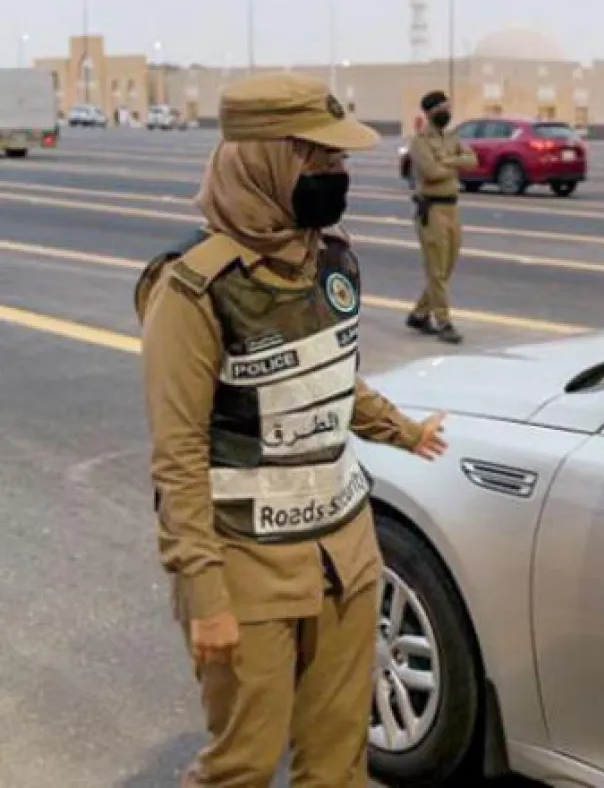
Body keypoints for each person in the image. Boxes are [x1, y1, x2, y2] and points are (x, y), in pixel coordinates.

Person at [135, 72, 451, 788]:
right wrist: (204, 593)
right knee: (242, 765)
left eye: (339, 161)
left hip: (346, 551)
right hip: (245, 563)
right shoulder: (193, 289)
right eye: (319, 159)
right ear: (266, 158)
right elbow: (178, 454)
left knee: (338, 760)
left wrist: (401, 430)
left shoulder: (329, 258)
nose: (336, 175)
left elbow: (330, 376)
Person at [406, 90, 477, 345]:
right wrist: (453, 165)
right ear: (429, 112)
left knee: (447, 266)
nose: (446, 112)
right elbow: (431, 172)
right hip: (432, 209)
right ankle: (443, 321)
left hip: (452, 208)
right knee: (436, 269)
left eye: (448, 107)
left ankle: (419, 314)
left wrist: (447, 160)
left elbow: (472, 160)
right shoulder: (420, 142)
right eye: (441, 109)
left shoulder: (451, 137)